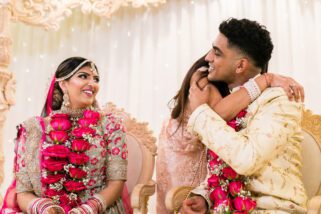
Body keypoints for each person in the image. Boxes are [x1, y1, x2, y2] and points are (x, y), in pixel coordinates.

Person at [180, 18, 307, 213]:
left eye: (217, 52)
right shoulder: (229, 101)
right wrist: (204, 197)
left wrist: (200, 113)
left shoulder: (280, 99)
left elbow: (247, 159)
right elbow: (223, 166)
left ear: (240, 66)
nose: (208, 57)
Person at [157, 54, 305, 213]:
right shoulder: (202, 77)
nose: (210, 57)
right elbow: (220, 113)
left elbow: (235, 162)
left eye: (217, 52)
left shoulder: (268, 103)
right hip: (183, 178)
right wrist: (266, 79)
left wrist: (204, 199)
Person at [1, 57, 132, 214]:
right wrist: (46, 209)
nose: (92, 83)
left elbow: (116, 184)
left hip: (98, 210)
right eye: (83, 76)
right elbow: (23, 192)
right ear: (63, 84)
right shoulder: (33, 129)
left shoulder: (111, 126)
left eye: (96, 79)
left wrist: (86, 210)